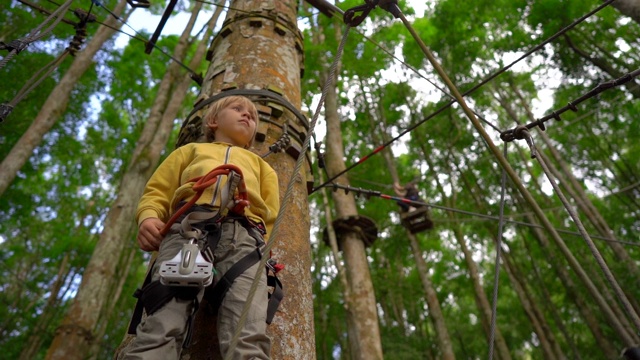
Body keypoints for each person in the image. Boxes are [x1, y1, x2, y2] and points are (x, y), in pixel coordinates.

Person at [122, 95, 280, 360]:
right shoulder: (189, 152)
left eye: (252, 116)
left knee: (248, 330)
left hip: (245, 242)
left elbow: (271, 216)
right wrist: (148, 217)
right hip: (187, 231)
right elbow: (158, 191)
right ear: (213, 120)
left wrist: (267, 250)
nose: (247, 116)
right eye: (238, 109)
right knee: (161, 325)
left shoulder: (262, 167)